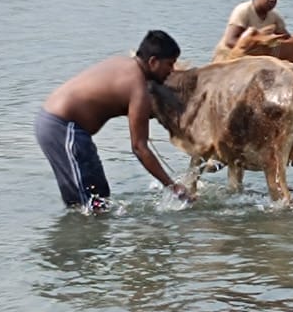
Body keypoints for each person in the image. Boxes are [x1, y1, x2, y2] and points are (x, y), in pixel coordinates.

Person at [35, 30, 192, 210]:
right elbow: (139, 147)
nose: (171, 71)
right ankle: (85, 236)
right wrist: (172, 186)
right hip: (62, 128)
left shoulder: (121, 63)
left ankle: (94, 235)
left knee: (98, 196)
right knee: (90, 204)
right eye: (169, 64)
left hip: (62, 128)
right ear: (153, 62)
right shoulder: (138, 89)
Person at [213, 0, 289, 60]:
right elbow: (230, 41)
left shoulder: (275, 17)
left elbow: (287, 39)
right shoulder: (243, 11)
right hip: (227, 59)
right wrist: (259, 49)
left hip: (253, 61)